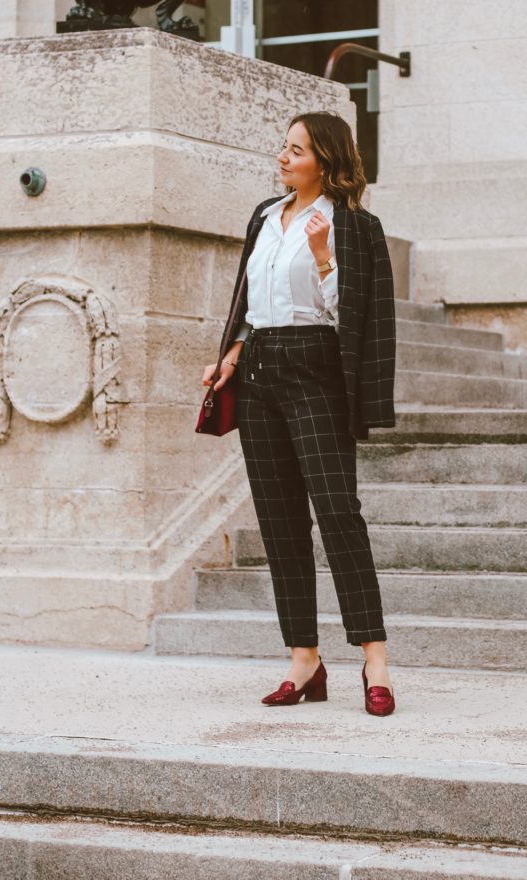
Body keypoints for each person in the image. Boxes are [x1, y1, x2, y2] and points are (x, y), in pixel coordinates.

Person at [202, 111, 397, 716]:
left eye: (297, 151)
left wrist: (323, 258)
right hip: (259, 368)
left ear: (327, 161)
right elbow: (250, 303)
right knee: (280, 519)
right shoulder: (264, 214)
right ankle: (303, 660)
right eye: (283, 147)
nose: (283, 158)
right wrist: (230, 355)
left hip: (317, 368)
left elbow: (356, 316)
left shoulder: (355, 226)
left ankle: (375, 658)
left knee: (338, 512)